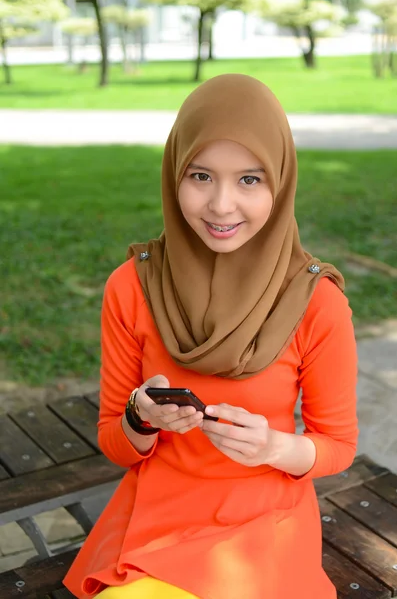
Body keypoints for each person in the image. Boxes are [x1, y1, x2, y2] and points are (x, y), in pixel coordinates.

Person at [64, 73, 358, 599]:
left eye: (250, 179)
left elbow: (336, 446)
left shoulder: (316, 301)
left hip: (263, 525)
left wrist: (272, 446)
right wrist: (140, 416)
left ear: (282, 181)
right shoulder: (132, 286)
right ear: (174, 171)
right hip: (157, 520)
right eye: (201, 176)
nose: (221, 205)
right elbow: (116, 441)